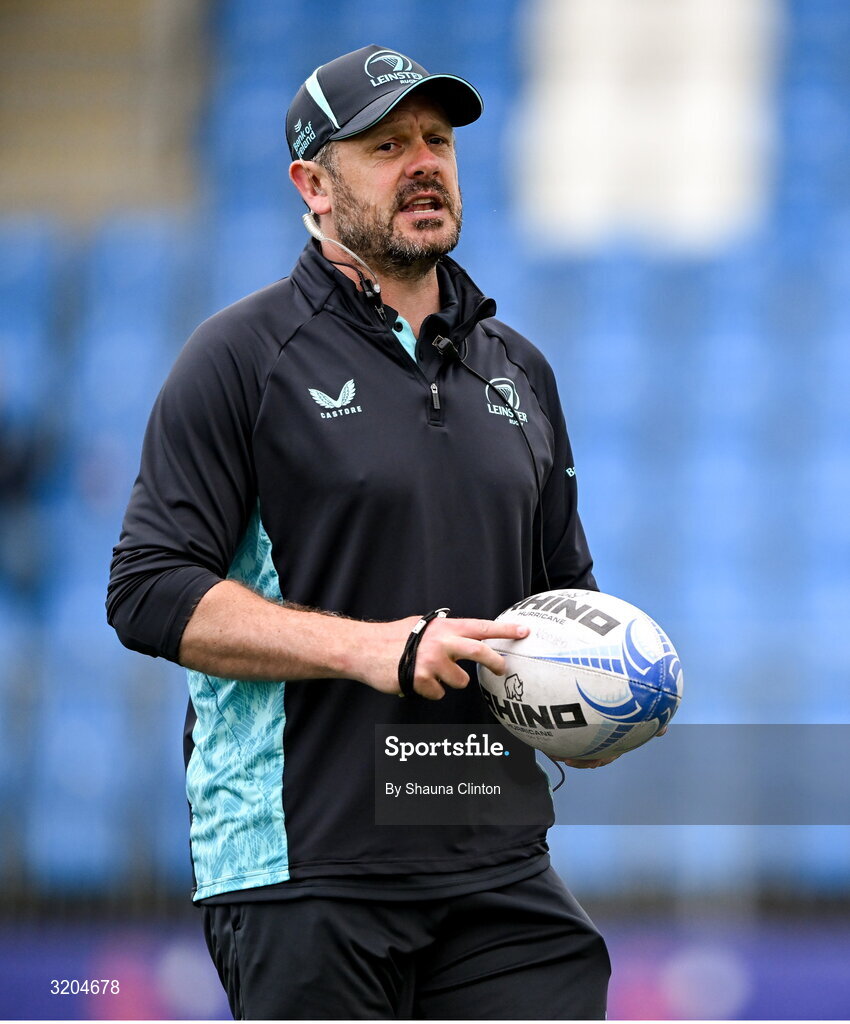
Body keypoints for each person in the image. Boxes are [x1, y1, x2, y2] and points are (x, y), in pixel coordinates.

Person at [107, 44, 612, 1020]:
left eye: (437, 139)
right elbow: (147, 588)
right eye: (385, 144)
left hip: (496, 860)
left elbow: (561, 596)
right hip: (307, 866)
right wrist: (371, 648)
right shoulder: (239, 361)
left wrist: (593, 694)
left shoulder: (520, 371)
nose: (423, 161)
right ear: (313, 184)